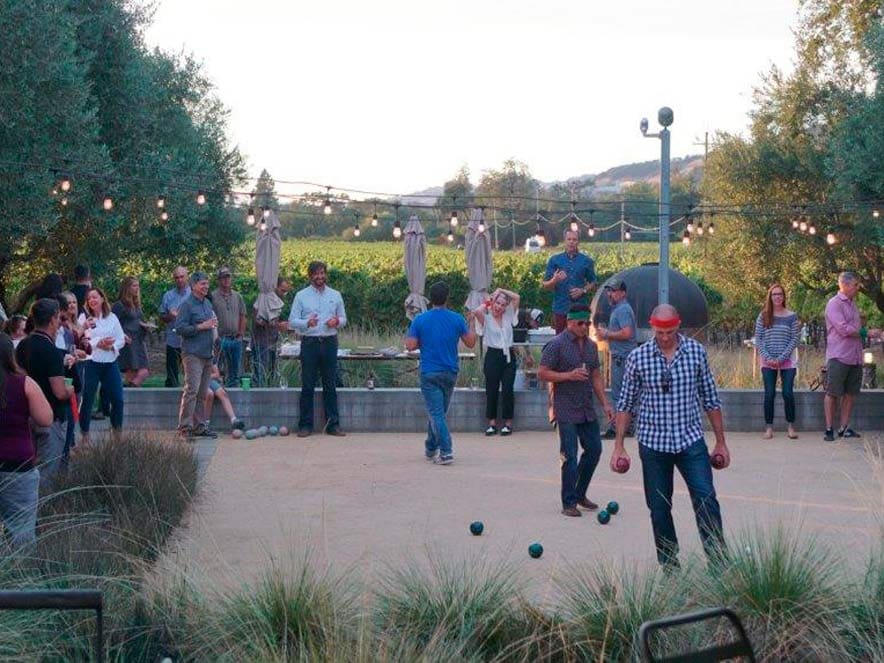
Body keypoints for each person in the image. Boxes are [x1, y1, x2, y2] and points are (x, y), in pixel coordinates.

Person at [609, 304, 730, 569]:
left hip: (690, 440)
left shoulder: (696, 352)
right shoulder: (638, 358)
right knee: (659, 507)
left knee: (706, 498)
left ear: (679, 325)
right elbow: (626, 404)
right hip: (653, 443)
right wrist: (619, 446)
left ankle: (719, 562)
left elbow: (710, 398)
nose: (665, 337)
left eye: (670, 331)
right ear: (653, 327)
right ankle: (669, 565)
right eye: (660, 332)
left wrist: (720, 441)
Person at [538, 304, 614, 517]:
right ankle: (568, 502)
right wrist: (567, 376)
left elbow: (596, 376)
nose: (584, 327)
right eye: (580, 323)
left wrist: (606, 404)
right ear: (570, 322)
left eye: (587, 323)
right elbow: (542, 373)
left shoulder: (590, 346)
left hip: (585, 407)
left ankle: (579, 492)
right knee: (569, 455)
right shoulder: (556, 345)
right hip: (564, 407)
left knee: (595, 449)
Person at [406, 280, 477, 465]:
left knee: (436, 413)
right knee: (438, 413)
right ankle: (430, 447)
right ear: (447, 298)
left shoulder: (420, 320)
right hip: (450, 371)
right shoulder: (456, 319)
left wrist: (424, 341)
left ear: (430, 299)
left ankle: (446, 451)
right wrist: (471, 323)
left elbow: (410, 346)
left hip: (429, 371)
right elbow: (470, 342)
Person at [0, 332, 53, 550]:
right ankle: (20, 580)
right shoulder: (24, 383)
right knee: (21, 531)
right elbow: (46, 419)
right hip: (18, 465)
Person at [15, 298, 74, 483]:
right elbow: (59, 392)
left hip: (27, 415)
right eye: (58, 318)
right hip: (50, 416)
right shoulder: (51, 351)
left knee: (28, 469)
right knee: (48, 473)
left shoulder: (24, 345)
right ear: (52, 320)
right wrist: (70, 389)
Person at [286, 261, 347, 437]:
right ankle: (305, 425)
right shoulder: (301, 296)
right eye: (316, 274)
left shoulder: (335, 295)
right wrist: (307, 323)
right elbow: (292, 321)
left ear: (325, 274)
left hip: (329, 342)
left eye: (322, 273)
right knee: (308, 384)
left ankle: (333, 425)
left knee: (330, 384)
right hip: (310, 343)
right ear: (310, 276)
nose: (320, 277)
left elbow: (343, 318)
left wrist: (337, 322)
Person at [823, 272, 881, 441]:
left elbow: (856, 329)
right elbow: (844, 329)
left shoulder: (853, 305)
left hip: (855, 357)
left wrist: (867, 332)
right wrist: (867, 333)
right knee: (833, 393)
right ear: (846, 285)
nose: (858, 288)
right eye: (856, 285)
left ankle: (844, 428)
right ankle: (829, 429)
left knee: (850, 394)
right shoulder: (834, 304)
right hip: (839, 356)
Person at [77, 287, 126, 444]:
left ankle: (117, 432)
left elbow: (121, 339)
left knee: (118, 399)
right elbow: (81, 340)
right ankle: (85, 434)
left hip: (110, 363)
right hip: (91, 363)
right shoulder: (84, 319)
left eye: (95, 297)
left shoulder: (112, 318)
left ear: (102, 299)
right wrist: (99, 343)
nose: (92, 300)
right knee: (88, 399)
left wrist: (111, 346)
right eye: (89, 298)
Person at [470, 288, 520, 436]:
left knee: (507, 389)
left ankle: (508, 423)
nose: (500, 307)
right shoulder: (486, 318)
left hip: (508, 356)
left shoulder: (509, 315)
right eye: (498, 303)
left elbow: (517, 297)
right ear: (493, 303)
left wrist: (501, 290)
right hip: (493, 355)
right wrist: (489, 301)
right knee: (491, 389)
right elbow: (477, 311)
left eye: (503, 305)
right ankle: (491, 423)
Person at [175, 272, 218, 439]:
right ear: (193, 286)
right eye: (202, 284)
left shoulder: (207, 303)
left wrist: (212, 327)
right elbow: (180, 328)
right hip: (193, 354)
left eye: (207, 284)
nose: (206, 287)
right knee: (191, 390)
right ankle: (184, 428)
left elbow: (210, 325)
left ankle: (199, 427)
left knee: (202, 393)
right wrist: (201, 326)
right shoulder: (186, 305)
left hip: (207, 354)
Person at [754, 284, 801, 440]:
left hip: (787, 361)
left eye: (780, 294)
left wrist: (781, 358)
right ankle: (768, 428)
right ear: (770, 296)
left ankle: (791, 427)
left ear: (784, 296)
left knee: (788, 393)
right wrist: (768, 357)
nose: (777, 297)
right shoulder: (763, 316)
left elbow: (795, 338)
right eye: (774, 294)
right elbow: (759, 338)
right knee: (769, 394)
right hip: (768, 361)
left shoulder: (792, 316)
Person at [597, 278, 637, 439]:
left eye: (613, 291)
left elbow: (627, 333)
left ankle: (617, 428)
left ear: (623, 293)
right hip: (622, 357)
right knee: (626, 394)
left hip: (623, 358)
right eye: (609, 291)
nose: (610, 294)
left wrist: (606, 333)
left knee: (619, 394)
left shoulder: (623, 310)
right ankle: (626, 427)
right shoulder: (620, 309)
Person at [541, 229, 597, 333]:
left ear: (578, 242)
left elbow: (593, 282)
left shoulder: (586, 261)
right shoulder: (555, 260)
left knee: (580, 340)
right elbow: (545, 285)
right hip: (560, 308)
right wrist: (554, 280)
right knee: (561, 341)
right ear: (565, 241)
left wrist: (583, 290)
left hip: (580, 309)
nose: (571, 242)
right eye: (569, 239)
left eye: (574, 239)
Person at [252, 277, 292, 387]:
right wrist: (278, 325)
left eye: (286, 292)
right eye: (282, 291)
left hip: (273, 343)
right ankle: (258, 400)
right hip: (261, 344)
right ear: (275, 288)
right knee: (261, 376)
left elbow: (276, 322)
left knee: (272, 375)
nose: (284, 294)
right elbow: (257, 320)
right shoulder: (263, 300)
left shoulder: (276, 302)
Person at [212, 266, 247, 388]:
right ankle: (219, 393)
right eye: (223, 278)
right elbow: (209, 317)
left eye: (228, 277)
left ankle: (233, 394)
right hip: (220, 339)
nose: (226, 280)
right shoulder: (212, 297)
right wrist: (215, 337)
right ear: (218, 280)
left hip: (235, 339)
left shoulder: (237, 296)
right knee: (218, 368)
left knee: (234, 370)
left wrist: (241, 335)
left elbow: (243, 315)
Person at [113, 276, 150, 387]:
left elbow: (140, 320)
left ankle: (129, 388)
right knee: (133, 370)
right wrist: (122, 335)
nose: (137, 288)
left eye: (138, 286)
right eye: (134, 286)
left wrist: (146, 326)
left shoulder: (136, 304)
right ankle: (127, 391)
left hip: (138, 340)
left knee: (143, 370)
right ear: (127, 287)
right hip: (128, 341)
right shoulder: (119, 305)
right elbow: (113, 323)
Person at [159, 266, 190, 388]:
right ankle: (170, 401)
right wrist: (170, 316)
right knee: (172, 374)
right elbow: (162, 317)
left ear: (187, 277)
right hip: (173, 340)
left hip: (190, 340)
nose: (179, 280)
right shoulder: (168, 296)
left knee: (190, 373)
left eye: (182, 277)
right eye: (176, 277)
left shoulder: (194, 294)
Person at [203, 356, 246, 432]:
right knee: (209, 394)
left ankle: (234, 420)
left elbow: (217, 374)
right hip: (199, 381)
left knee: (222, 393)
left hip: (209, 380)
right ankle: (205, 424)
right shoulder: (196, 354)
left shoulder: (210, 355)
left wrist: (207, 376)